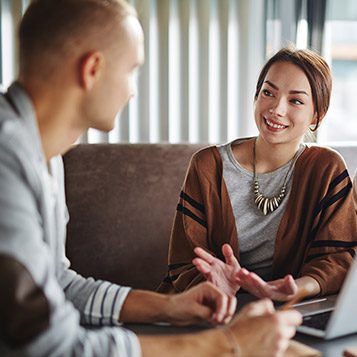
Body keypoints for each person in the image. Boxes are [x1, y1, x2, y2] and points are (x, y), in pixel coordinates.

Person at [0, 0, 302, 356]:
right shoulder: (7, 159)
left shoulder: (42, 152)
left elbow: (57, 284)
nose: (132, 90)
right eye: (131, 70)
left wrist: (169, 307)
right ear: (92, 69)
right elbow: (52, 347)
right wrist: (226, 343)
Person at [159, 47, 357, 301]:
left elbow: (338, 259)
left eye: (295, 100)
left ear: (316, 115)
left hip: (289, 310)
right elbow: (184, 261)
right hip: (210, 309)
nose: (276, 109)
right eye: (268, 93)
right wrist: (219, 288)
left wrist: (295, 289)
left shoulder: (326, 168)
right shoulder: (208, 165)